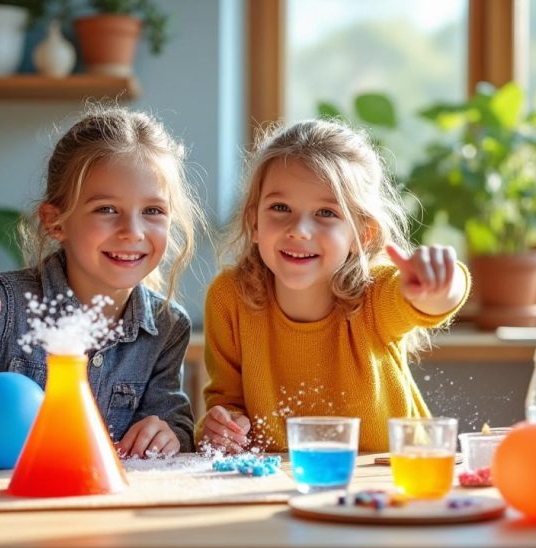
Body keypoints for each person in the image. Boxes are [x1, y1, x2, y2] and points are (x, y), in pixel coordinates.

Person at [0, 107, 203, 458]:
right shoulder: (2, 309)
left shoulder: (167, 328)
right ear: (55, 222)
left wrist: (166, 435)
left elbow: (177, 431)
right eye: (107, 209)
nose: (133, 232)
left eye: (153, 211)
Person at [197, 119, 470, 453]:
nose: (299, 230)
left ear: (362, 235)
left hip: (396, 476)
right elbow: (227, 401)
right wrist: (223, 426)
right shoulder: (229, 297)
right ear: (255, 222)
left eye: (326, 213)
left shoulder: (374, 292)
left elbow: (430, 302)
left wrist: (440, 284)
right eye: (280, 208)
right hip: (281, 481)